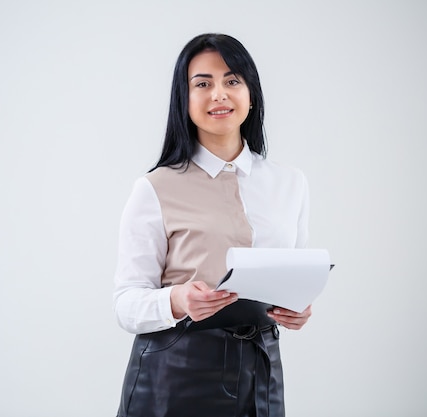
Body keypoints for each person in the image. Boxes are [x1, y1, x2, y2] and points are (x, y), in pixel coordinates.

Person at [113, 33, 312, 417]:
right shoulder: (155, 187)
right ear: (184, 100)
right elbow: (125, 303)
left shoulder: (291, 183)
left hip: (262, 370)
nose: (219, 94)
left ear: (251, 95)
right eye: (202, 83)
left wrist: (296, 310)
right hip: (175, 372)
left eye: (232, 81)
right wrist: (177, 299)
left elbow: (293, 279)